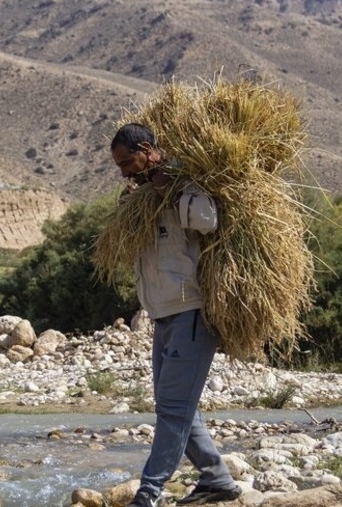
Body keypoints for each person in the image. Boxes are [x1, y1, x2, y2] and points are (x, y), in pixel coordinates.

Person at [109, 123, 244, 506]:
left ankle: (149, 493)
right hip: (163, 313)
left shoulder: (183, 181)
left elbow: (209, 219)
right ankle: (217, 480)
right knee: (177, 406)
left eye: (127, 162)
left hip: (192, 310)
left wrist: (172, 189)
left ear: (148, 149)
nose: (123, 172)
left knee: (172, 408)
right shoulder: (141, 195)